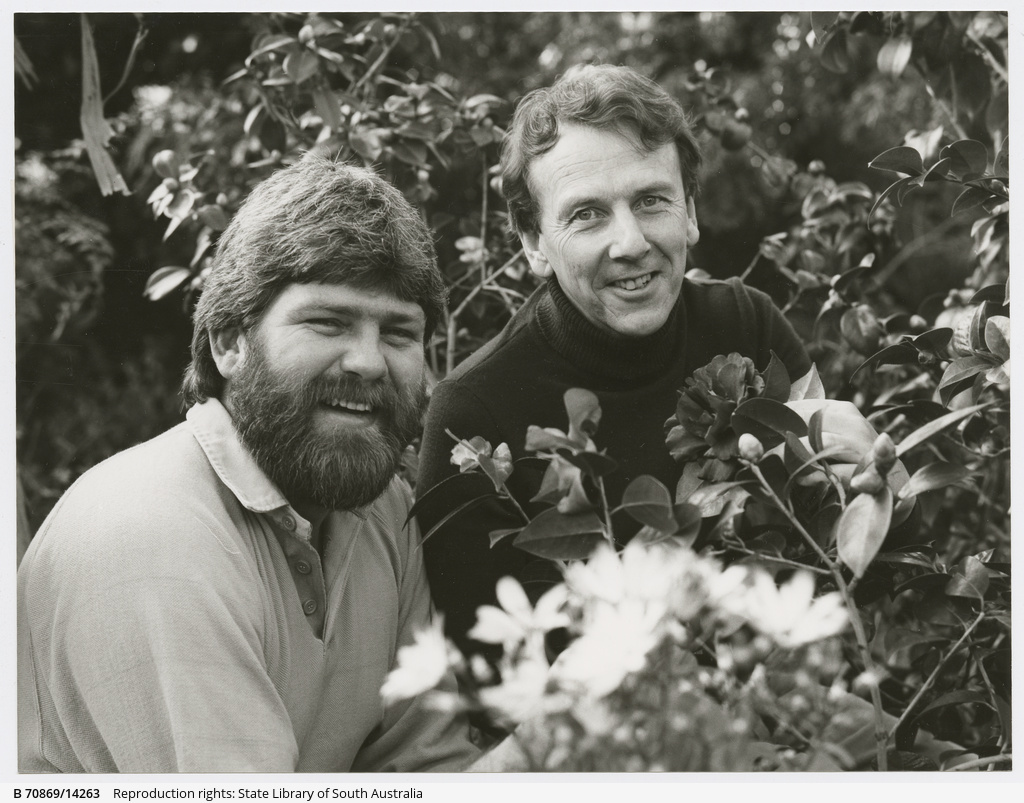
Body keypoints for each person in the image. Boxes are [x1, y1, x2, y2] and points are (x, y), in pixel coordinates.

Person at [18, 156, 521, 773]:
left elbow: (423, 770)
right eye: (327, 322)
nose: (367, 361)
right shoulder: (152, 538)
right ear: (230, 343)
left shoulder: (384, 512)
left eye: (398, 333)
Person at [415, 64, 815, 653]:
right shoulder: (473, 415)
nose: (630, 243)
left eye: (652, 200)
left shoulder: (749, 325)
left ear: (691, 212)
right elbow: (495, 681)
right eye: (587, 214)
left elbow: (832, 537)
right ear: (533, 242)